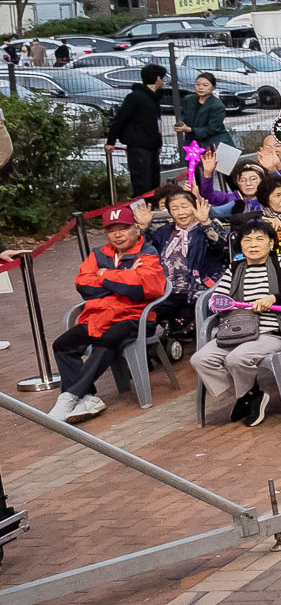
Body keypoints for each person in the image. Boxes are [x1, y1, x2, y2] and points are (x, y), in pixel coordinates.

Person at [52, 203, 167, 421]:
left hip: (137, 317)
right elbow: (84, 285)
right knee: (62, 345)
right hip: (101, 315)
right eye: (111, 230)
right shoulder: (98, 254)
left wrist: (104, 276)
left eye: (123, 228)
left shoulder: (148, 252)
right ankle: (88, 397)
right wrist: (122, 277)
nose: (117, 235)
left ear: (135, 228)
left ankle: (70, 395)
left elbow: (143, 289)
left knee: (108, 339)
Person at [195, 216, 281, 426]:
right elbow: (216, 300)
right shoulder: (235, 268)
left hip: (270, 333)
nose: (253, 245)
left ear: (270, 243)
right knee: (200, 359)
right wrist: (223, 304)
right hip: (236, 331)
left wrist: (275, 298)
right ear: (240, 244)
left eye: (259, 239)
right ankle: (249, 394)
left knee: (236, 359)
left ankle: (247, 396)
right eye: (247, 240)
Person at [109, 65, 167, 197]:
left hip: (152, 146)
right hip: (138, 147)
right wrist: (110, 141)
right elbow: (120, 119)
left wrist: (158, 144)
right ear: (158, 78)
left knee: (154, 182)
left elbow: (156, 124)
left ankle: (152, 208)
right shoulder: (135, 97)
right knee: (142, 183)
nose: (164, 81)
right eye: (163, 78)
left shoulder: (155, 98)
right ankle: (141, 210)